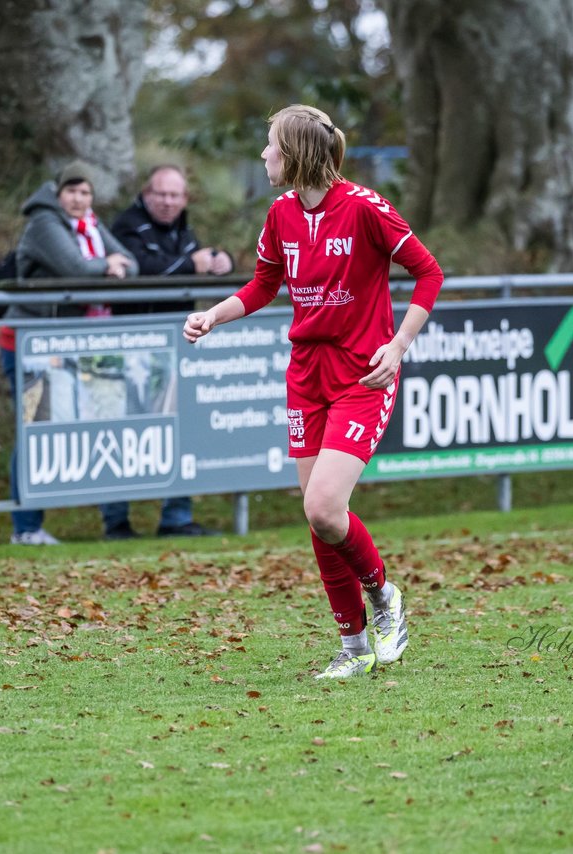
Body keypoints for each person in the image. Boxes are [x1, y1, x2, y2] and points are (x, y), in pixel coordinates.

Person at [183, 105, 444, 679]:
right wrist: (214, 315)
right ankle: (352, 649)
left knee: (326, 507)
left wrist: (397, 346)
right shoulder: (280, 214)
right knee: (317, 515)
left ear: (296, 152)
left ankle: (385, 600)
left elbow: (429, 273)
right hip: (306, 374)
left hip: (362, 376)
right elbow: (262, 285)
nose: (264, 155)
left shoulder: (366, 208)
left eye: (271, 145)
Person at [0, 160, 139, 545]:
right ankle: (25, 528)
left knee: (106, 422)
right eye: (72, 191)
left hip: (80, 344)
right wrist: (106, 265)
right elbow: (75, 267)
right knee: (35, 429)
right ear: (58, 194)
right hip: (31, 343)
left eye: (86, 192)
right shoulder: (45, 222)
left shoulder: (91, 224)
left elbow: (132, 262)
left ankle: (116, 522)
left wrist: (110, 265)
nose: (79, 199)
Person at [97, 165, 234, 539]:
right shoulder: (127, 225)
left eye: (175, 195)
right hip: (130, 346)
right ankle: (116, 522)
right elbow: (143, 269)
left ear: (185, 199)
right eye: (161, 194)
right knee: (122, 431)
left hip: (175, 346)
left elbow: (201, 262)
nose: (168, 202)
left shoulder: (182, 229)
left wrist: (222, 262)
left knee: (180, 429)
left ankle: (176, 518)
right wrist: (193, 264)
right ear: (146, 193)